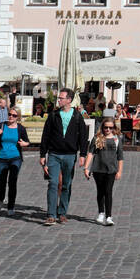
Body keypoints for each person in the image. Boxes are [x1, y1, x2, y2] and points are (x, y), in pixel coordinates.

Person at [38, 87, 89, 226]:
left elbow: (83, 137)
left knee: (66, 185)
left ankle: (62, 213)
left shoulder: (77, 116)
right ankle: (51, 215)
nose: (58, 100)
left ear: (69, 100)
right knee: (53, 183)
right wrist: (43, 154)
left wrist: (83, 155)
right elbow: (46, 136)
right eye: (58, 98)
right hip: (54, 154)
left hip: (70, 155)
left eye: (61, 98)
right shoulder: (53, 115)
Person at [83, 109, 124, 226]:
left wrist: (119, 171)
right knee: (100, 191)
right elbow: (90, 153)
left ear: (114, 128)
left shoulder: (117, 139)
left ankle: (109, 216)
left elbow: (120, 157)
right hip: (97, 168)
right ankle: (101, 213)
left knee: (108, 191)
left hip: (111, 169)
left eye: (110, 128)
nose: (108, 130)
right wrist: (86, 168)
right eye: (106, 127)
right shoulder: (97, 138)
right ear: (102, 127)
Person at [0, 106, 31, 215]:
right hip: (1, 158)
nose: (11, 117)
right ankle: (0, 200)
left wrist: (24, 144)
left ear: (17, 117)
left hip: (15, 158)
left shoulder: (20, 128)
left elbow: (27, 142)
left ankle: (11, 207)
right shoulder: (1, 126)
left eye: (14, 115)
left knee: (12, 182)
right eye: (9, 114)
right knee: (1, 182)